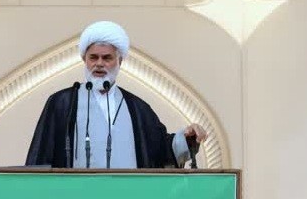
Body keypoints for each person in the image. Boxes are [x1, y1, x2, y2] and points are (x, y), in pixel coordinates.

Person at [25, 21, 207, 169]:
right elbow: (40, 157)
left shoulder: (137, 108)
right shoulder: (63, 103)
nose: (99, 63)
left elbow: (161, 151)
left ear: (120, 61)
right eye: (93, 57)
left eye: (107, 58)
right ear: (84, 59)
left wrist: (187, 139)